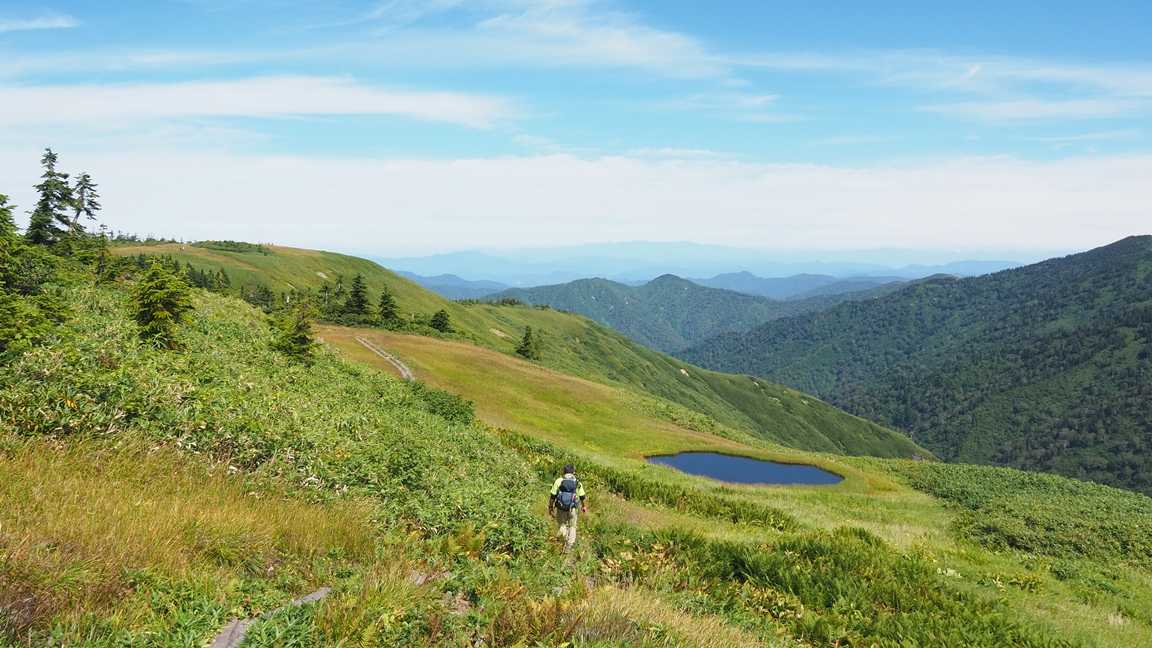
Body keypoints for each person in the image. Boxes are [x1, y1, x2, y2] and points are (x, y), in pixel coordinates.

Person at [548, 464, 587, 552]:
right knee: (572, 526)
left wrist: (550, 507)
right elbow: (582, 496)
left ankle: (564, 539)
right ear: (573, 472)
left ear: (564, 471)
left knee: (562, 525)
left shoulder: (559, 481)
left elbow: (553, 496)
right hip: (573, 508)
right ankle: (568, 546)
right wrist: (583, 506)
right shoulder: (577, 482)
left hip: (561, 508)